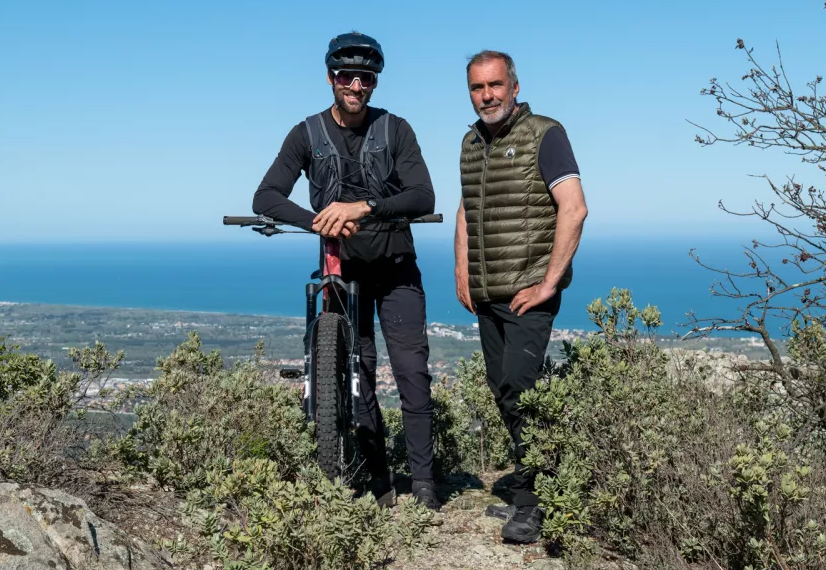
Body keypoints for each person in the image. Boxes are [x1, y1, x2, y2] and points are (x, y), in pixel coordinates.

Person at [251, 32, 441, 510]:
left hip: (396, 265)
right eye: (345, 75)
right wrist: (319, 219)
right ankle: (379, 484)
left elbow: (423, 195)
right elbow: (267, 195)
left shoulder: (396, 129)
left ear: (375, 82)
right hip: (341, 269)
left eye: (366, 77)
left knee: (412, 373)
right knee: (359, 374)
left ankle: (423, 487)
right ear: (330, 77)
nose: (355, 84)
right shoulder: (306, 133)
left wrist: (362, 207)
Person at [454, 50, 587, 543]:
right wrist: (462, 270)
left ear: (513, 85)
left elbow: (573, 209)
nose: (486, 95)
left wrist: (550, 282)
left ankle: (532, 506)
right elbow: (467, 210)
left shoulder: (545, 134)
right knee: (502, 390)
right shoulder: (471, 143)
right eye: (477, 87)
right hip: (487, 295)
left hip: (528, 294)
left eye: (495, 85)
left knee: (519, 387)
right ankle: (538, 481)